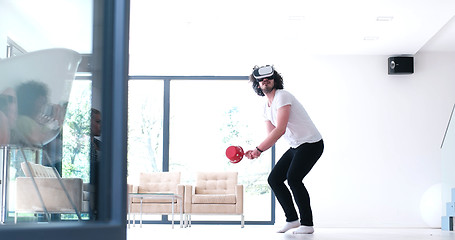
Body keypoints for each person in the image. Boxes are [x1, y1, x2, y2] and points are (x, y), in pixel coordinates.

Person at [245, 65, 324, 234]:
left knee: (294, 179)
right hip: (296, 146)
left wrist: (258, 149)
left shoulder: (283, 96)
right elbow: (273, 135)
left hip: (311, 143)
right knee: (274, 179)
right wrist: (255, 150)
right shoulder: (266, 107)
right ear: (258, 84)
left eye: (269, 78)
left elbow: (280, 129)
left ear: (275, 80)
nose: (265, 81)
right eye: (261, 80)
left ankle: (307, 224)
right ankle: (292, 220)